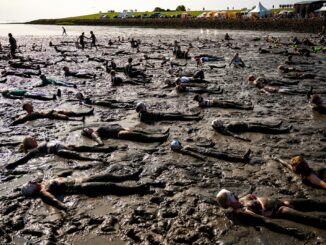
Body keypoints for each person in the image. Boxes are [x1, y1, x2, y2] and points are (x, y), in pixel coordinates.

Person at [20, 169, 151, 211]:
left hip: (82, 179)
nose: (32, 181)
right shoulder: (43, 191)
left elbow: (62, 175)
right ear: (31, 191)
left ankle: (131, 176)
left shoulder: (44, 182)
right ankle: (137, 189)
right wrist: (63, 206)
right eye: (30, 184)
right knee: (109, 186)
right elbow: (52, 199)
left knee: (107, 176)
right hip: (79, 188)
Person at [216, 189, 326, 238]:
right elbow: (265, 221)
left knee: (312, 203)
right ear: (229, 201)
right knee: (310, 218)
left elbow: (248, 192)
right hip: (280, 209)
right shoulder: (243, 211)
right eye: (230, 194)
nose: (233, 194)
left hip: (283, 201)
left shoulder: (240, 199)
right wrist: (288, 231)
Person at [5, 136, 117, 170]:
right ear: (29, 145)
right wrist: (11, 165)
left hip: (61, 145)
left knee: (83, 147)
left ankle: (106, 149)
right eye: (31, 140)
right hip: (57, 150)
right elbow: (23, 160)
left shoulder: (41, 142)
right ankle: (96, 160)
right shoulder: (32, 152)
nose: (34, 139)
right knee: (76, 155)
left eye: (33, 138)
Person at [11, 102, 93, 125]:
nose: (31, 106)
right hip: (49, 115)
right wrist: (14, 121)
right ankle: (79, 120)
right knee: (62, 116)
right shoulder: (30, 115)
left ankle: (85, 113)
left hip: (51, 111)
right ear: (26, 108)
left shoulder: (34, 111)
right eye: (29, 106)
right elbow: (21, 120)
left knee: (67, 112)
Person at [81, 124, 169, 146]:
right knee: (141, 136)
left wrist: (123, 128)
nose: (88, 129)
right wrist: (99, 144)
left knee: (142, 132)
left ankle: (161, 134)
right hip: (120, 134)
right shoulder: (94, 133)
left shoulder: (96, 129)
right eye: (86, 131)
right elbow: (99, 140)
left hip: (122, 130)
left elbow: (112, 126)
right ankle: (160, 138)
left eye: (87, 128)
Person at [170, 139, 251, 163]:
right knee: (224, 156)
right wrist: (204, 159)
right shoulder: (184, 150)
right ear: (177, 146)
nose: (180, 143)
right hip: (206, 153)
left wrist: (209, 145)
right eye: (178, 143)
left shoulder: (184, 147)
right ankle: (242, 158)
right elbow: (194, 154)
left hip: (206, 150)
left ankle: (241, 156)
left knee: (224, 153)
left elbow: (197, 146)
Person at [212, 119, 291, 141]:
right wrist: (244, 138)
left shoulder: (224, 126)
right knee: (265, 129)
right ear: (217, 126)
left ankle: (275, 125)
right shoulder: (224, 130)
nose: (220, 121)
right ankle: (283, 130)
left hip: (246, 123)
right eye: (218, 122)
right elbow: (234, 135)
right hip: (248, 127)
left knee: (262, 124)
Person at [136, 102, 202, 122]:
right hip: (162, 117)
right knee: (179, 117)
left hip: (161, 114)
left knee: (178, 114)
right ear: (142, 108)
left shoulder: (142, 113)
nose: (145, 106)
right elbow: (147, 122)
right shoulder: (143, 115)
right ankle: (195, 118)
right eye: (144, 106)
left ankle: (194, 115)